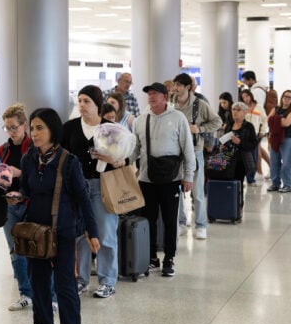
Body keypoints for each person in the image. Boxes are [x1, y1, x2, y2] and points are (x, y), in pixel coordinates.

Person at [8, 108, 99, 324]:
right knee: (39, 288)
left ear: (53, 130)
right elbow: (27, 190)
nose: (34, 133)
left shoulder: (69, 161)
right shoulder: (30, 158)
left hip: (63, 233)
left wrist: (93, 232)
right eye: (32, 128)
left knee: (65, 287)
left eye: (40, 128)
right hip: (35, 233)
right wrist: (17, 197)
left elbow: (84, 200)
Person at [62, 85, 122, 299]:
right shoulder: (69, 128)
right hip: (76, 188)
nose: (82, 105)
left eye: (86, 101)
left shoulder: (111, 128)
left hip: (102, 185)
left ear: (97, 104)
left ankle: (107, 280)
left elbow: (125, 158)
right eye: (79, 100)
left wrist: (113, 159)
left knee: (105, 232)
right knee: (79, 235)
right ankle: (82, 279)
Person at [0, 103, 57, 312]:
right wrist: (2, 181)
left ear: (24, 126)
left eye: (14, 127)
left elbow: (41, 177)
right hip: (10, 205)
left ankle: (51, 296)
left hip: (32, 205)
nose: (11, 132)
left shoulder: (36, 148)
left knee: (42, 248)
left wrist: (19, 173)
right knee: (16, 251)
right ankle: (26, 293)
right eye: (7, 127)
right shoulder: (2, 150)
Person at [132, 82, 195, 277]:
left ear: (165, 97)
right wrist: (123, 163)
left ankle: (169, 258)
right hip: (146, 179)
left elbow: (188, 149)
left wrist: (188, 176)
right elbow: (135, 148)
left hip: (172, 179)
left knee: (170, 220)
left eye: (155, 94)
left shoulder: (178, 118)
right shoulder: (141, 120)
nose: (150, 97)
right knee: (148, 220)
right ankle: (151, 257)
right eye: (149, 94)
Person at [172, 73, 221, 240]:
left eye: (179, 85)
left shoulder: (199, 104)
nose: (176, 88)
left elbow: (217, 121)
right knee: (175, 190)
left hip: (195, 151)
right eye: (175, 85)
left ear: (187, 87)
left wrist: (199, 129)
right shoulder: (170, 103)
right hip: (174, 152)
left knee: (198, 192)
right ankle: (180, 223)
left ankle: (200, 225)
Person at [222, 102, 258, 192]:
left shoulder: (249, 126)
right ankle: (229, 204)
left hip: (241, 161)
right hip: (228, 160)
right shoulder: (229, 125)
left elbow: (253, 145)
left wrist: (240, 142)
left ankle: (238, 204)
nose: (235, 112)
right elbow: (224, 140)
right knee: (228, 185)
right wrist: (222, 146)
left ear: (245, 112)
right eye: (233, 109)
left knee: (238, 185)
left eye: (238, 110)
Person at [267, 90, 291, 193]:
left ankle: (287, 185)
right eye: (285, 96)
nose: (286, 98)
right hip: (274, 139)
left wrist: (275, 119)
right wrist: (280, 119)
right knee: (274, 163)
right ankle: (275, 184)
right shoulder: (275, 108)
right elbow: (268, 120)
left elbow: (286, 124)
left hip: (287, 140)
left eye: (289, 97)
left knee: (286, 164)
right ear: (281, 97)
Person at [240, 89, 268, 186]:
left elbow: (265, 120)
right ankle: (242, 178)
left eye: (247, 96)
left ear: (251, 96)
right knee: (244, 157)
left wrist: (262, 131)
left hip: (255, 135)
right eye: (243, 97)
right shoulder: (242, 108)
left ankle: (250, 179)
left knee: (254, 157)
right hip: (244, 135)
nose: (246, 99)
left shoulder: (259, 107)